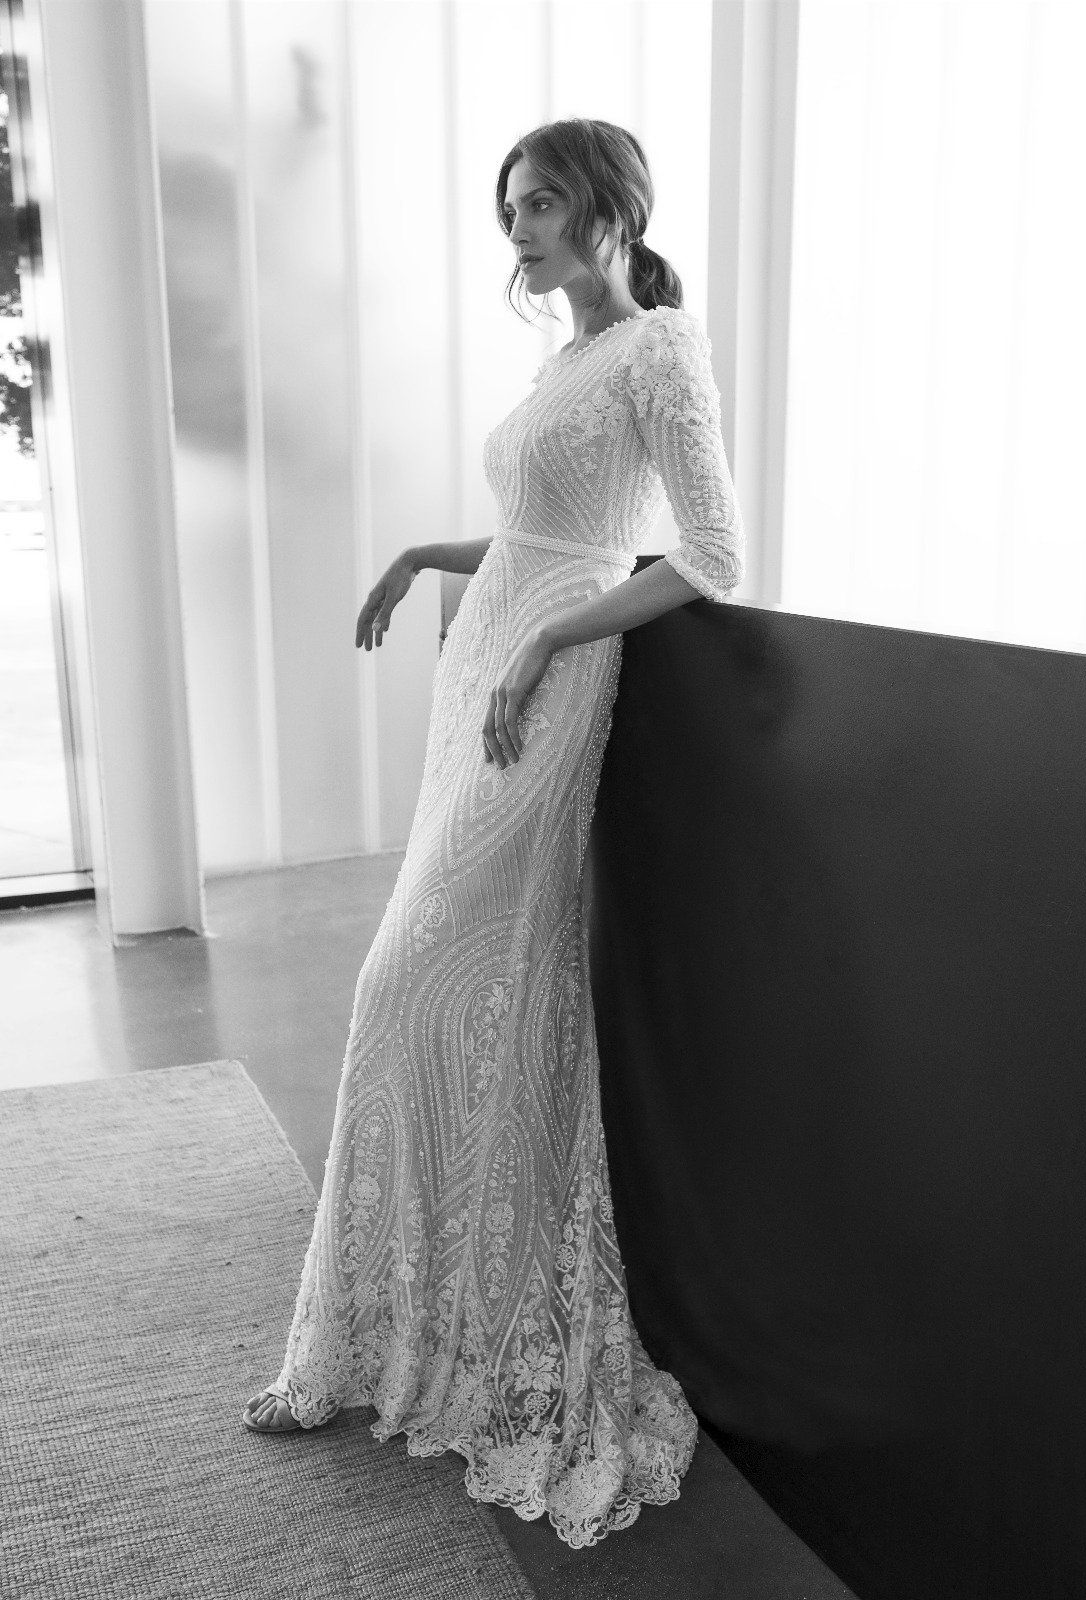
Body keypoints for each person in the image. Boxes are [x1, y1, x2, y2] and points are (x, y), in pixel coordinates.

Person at [242, 116, 744, 1550]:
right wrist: (424, 553)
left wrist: (543, 647)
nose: (516, 229)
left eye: (540, 203)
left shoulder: (658, 348)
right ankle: (402, 1327)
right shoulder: (568, 360)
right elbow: (541, 530)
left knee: (416, 982)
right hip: (487, 671)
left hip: (546, 683)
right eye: (510, 205)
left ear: (608, 212)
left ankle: (480, 1336)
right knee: (439, 997)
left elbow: (708, 556)